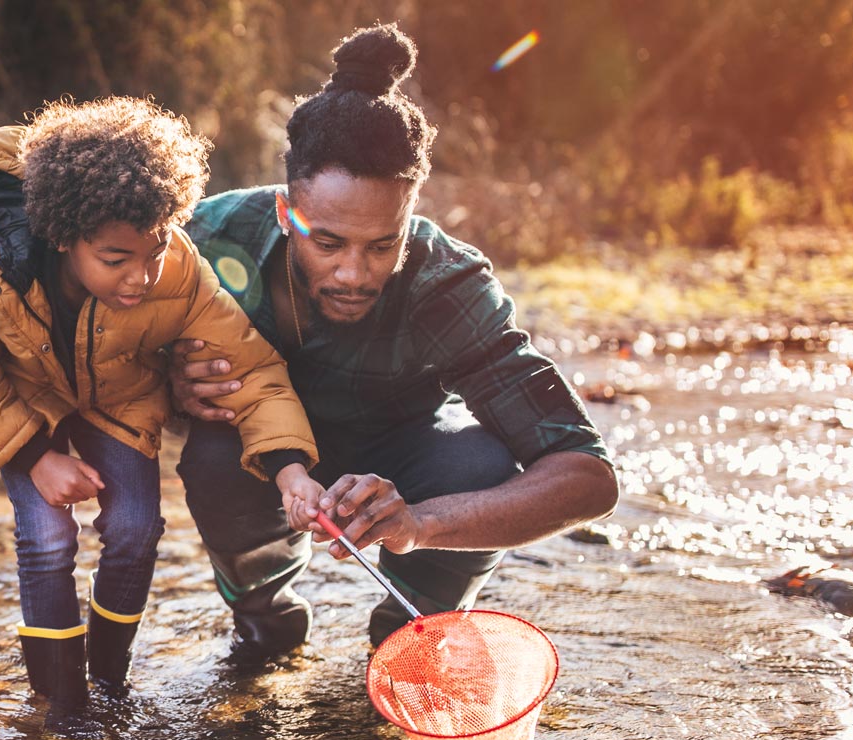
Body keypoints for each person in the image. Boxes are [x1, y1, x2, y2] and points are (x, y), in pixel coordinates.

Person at [170, 24, 620, 657]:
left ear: (411, 213)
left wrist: (421, 524)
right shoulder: (206, 240)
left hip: (407, 456)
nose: (354, 274)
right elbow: (95, 351)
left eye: (383, 244)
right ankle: (264, 617)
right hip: (257, 455)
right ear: (283, 212)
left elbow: (589, 477)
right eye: (326, 242)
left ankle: (408, 640)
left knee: (482, 465)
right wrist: (170, 386)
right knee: (210, 457)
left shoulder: (449, 283)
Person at [0, 97, 320, 740]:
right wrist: (32, 458)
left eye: (153, 251)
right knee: (46, 538)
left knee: (136, 529)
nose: (140, 277)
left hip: (122, 401)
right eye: (115, 259)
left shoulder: (179, 270)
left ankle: (108, 680)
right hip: (29, 409)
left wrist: (290, 468)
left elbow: (252, 369)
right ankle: (62, 699)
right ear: (62, 236)